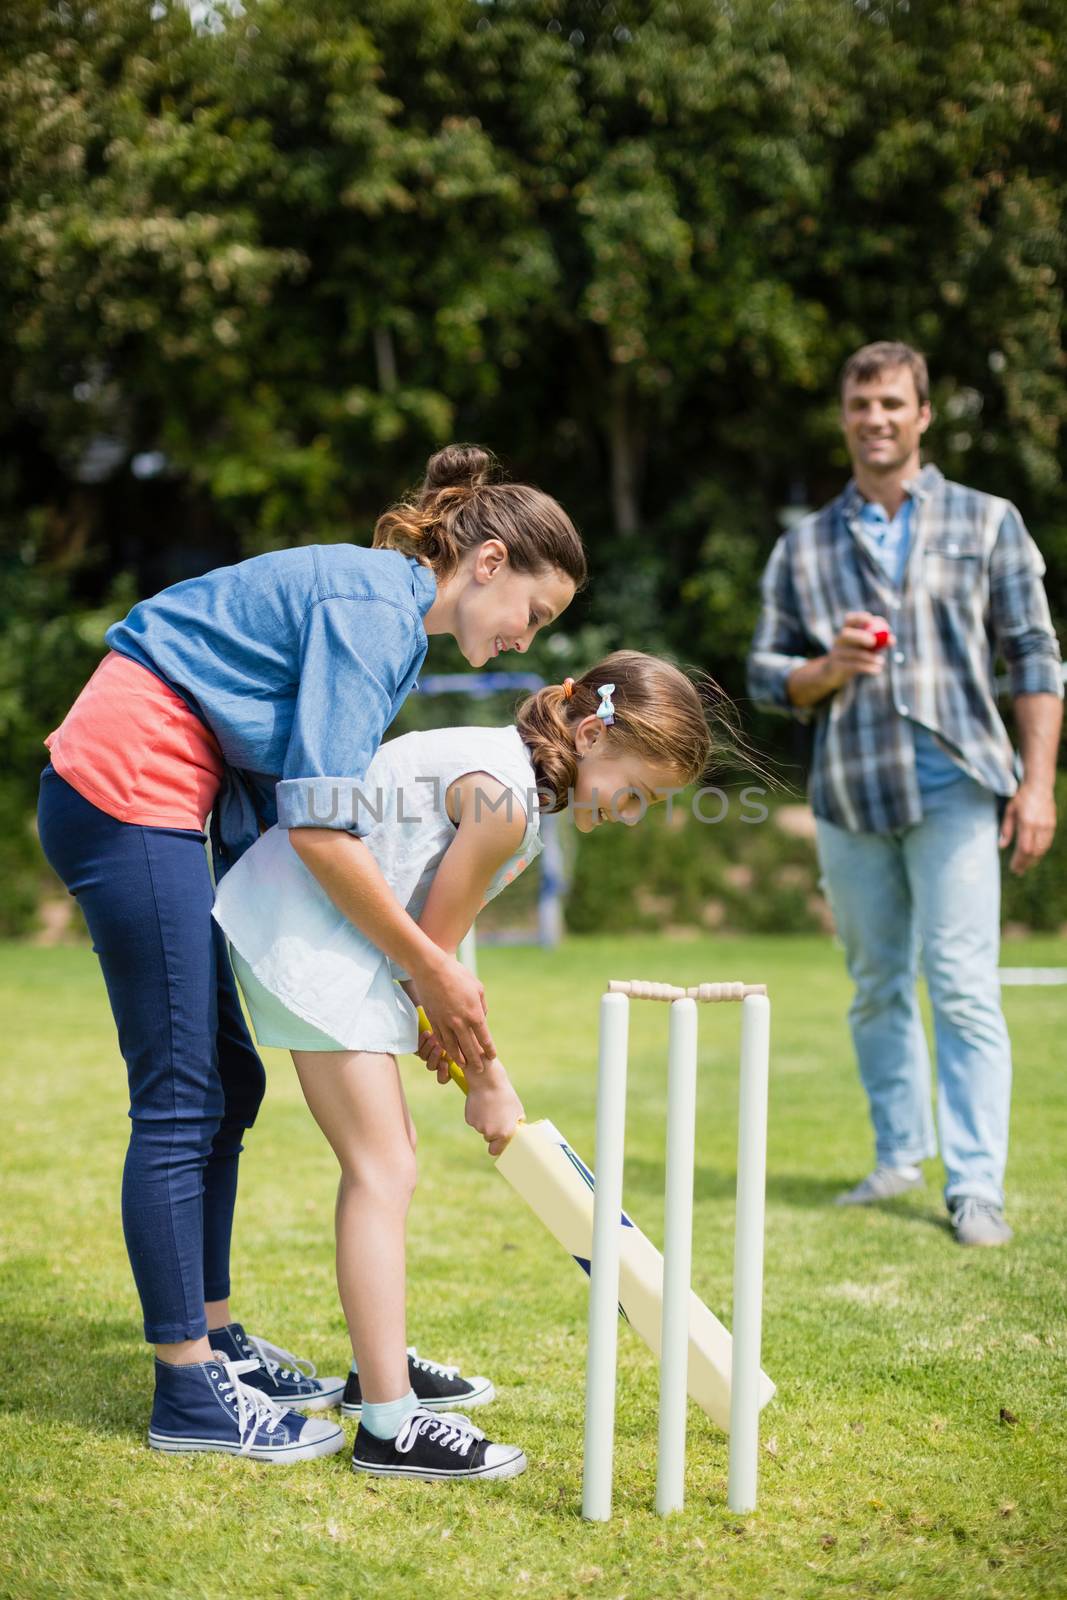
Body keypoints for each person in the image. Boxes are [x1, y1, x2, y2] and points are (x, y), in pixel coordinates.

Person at [37, 445, 586, 1462]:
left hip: (164, 796)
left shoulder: (389, 619)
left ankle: (218, 1338)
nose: (525, 635)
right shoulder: (375, 608)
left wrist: (396, 963)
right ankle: (187, 1389)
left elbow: (285, 798)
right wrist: (428, 965)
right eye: (532, 610)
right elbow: (323, 833)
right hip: (125, 784)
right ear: (486, 560)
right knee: (181, 1093)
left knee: (229, 1081)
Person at [212, 651, 714, 1480]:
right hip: (308, 938)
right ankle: (388, 1424)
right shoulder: (505, 800)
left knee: (389, 1156)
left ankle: (380, 1372)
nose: (631, 814)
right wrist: (489, 1080)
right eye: (636, 792)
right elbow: (432, 968)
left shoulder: (511, 781)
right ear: (590, 735)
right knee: (383, 1169)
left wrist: (455, 1038)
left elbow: (439, 949)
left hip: (332, 935)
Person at [748, 341, 1062, 1247]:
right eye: (859, 405)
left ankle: (975, 1187)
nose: (874, 419)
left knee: (961, 984)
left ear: (922, 414)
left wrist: (1035, 783)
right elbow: (764, 676)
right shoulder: (802, 545)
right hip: (850, 790)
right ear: (844, 417)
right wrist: (822, 669)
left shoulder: (988, 521)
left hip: (958, 781)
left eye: (892, 403)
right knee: (875, 984)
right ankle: (897, 1157)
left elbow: (1035, 657)